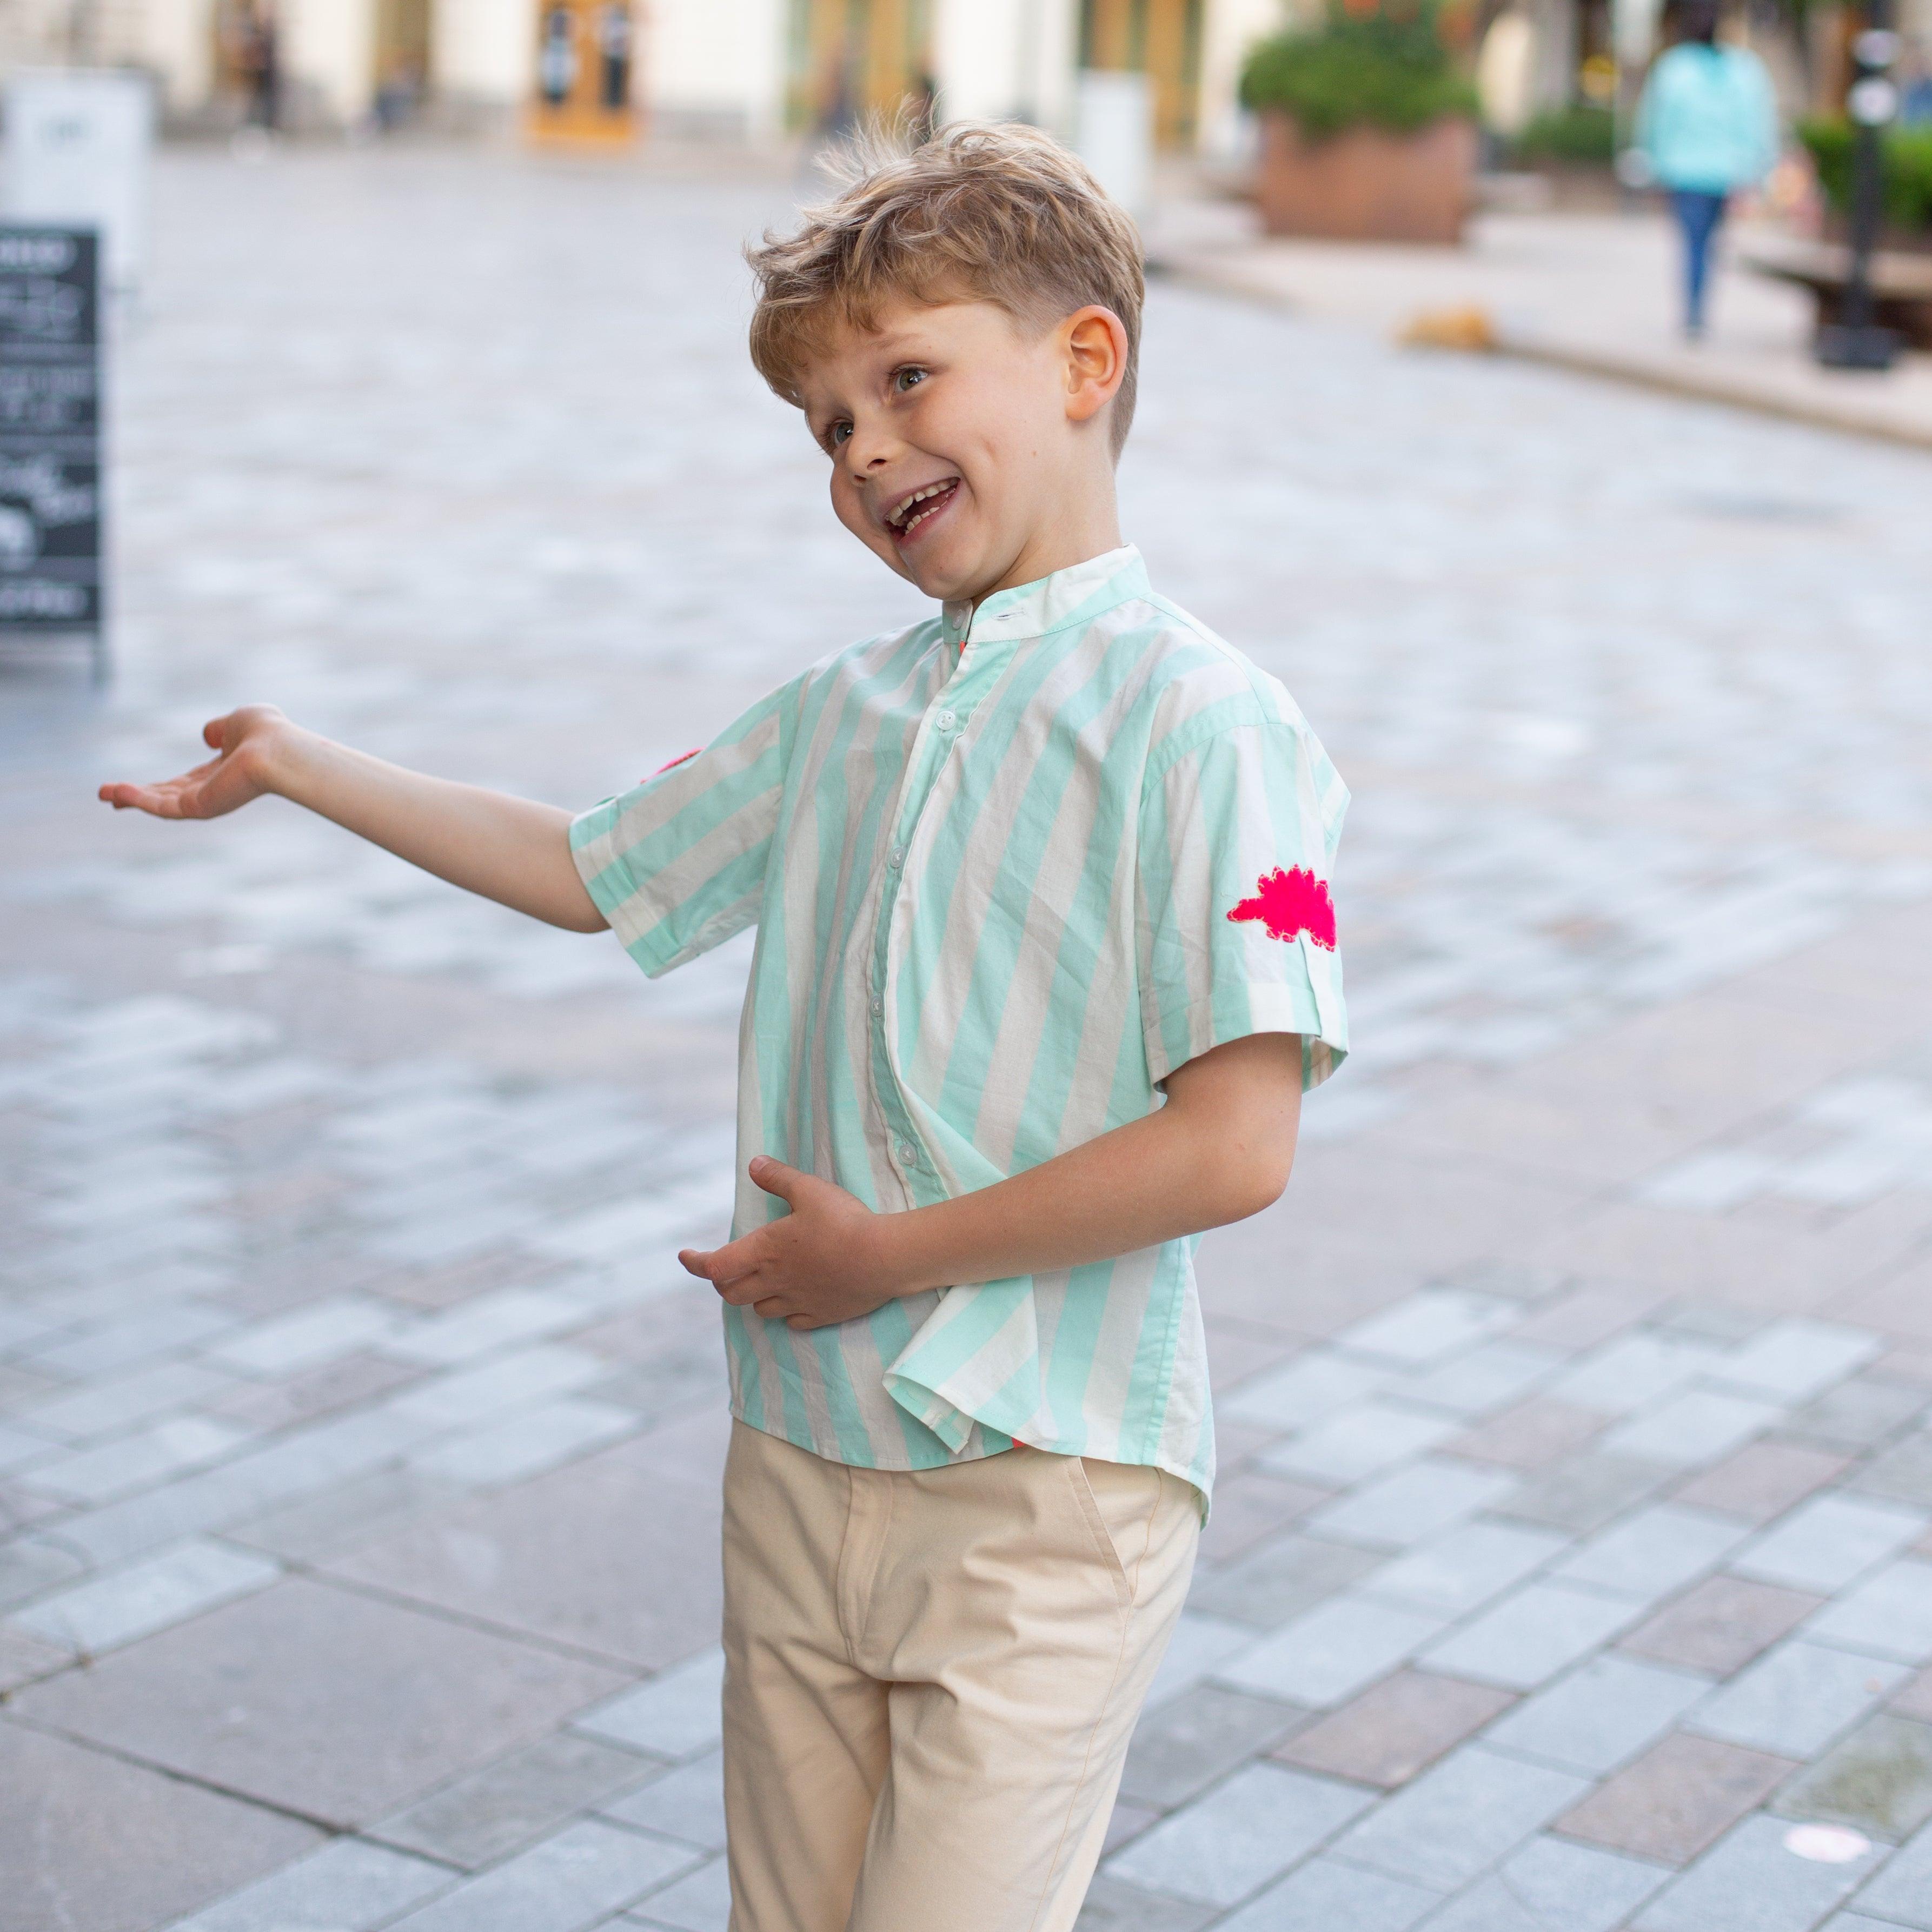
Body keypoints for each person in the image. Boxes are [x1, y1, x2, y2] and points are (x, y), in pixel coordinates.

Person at [98, 125, 1349, 1932]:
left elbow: (1238, 1144)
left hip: (1051, 1486)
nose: (865, 452)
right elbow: (592, 864)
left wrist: (886, 1254)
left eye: (906, 380)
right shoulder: (839, 714)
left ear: (1084, 362)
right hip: (799, 1452)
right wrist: (302, 767)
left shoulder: (1214, 729)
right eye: (828, 425)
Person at [1637, 0, 1779, 337]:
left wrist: (1652, 165)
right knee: (1710, 242)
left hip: (1685, 172)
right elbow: (1758, 124)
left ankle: (1694, 309)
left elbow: (1656, 122)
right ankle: (1699, 307)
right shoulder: (1744, 69)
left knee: (1693, 242)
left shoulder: (1674, 68)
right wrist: (1757, 170)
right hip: (1725, 173)